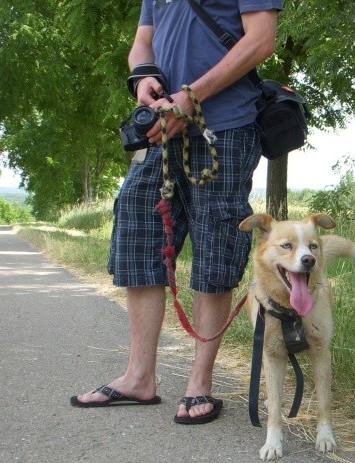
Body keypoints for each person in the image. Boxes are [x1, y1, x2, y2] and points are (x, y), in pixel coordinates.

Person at [70, 0, 283, 423]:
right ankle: (139, 377)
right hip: (161, 128)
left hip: (226, 126)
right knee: (137, 232)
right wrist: (143, 77)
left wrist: (191, 96)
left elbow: (261, 40)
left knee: (215, 243)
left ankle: (199, 383)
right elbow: (142, 42)